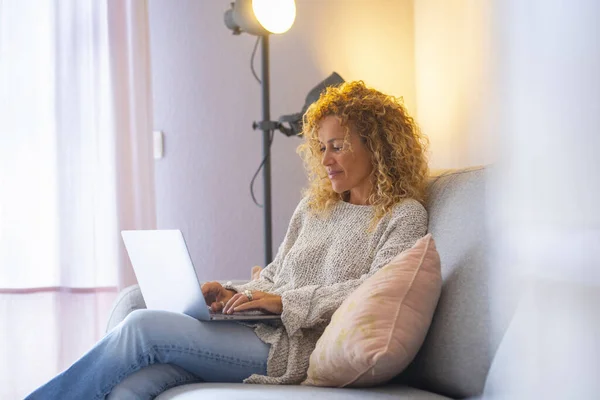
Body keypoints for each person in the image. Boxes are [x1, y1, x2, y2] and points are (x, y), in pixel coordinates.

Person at [25, 81, 430, 399]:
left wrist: (287, 303)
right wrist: (233, 292)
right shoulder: (314, 207)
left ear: (376, 147)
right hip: (258, 330)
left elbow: (372, 292)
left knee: (144, 327)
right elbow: (275, 276)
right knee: (135, 375)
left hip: (292, 349)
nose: (325, 160)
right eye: (321, 147)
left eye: (337, 147)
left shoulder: (403, 216)